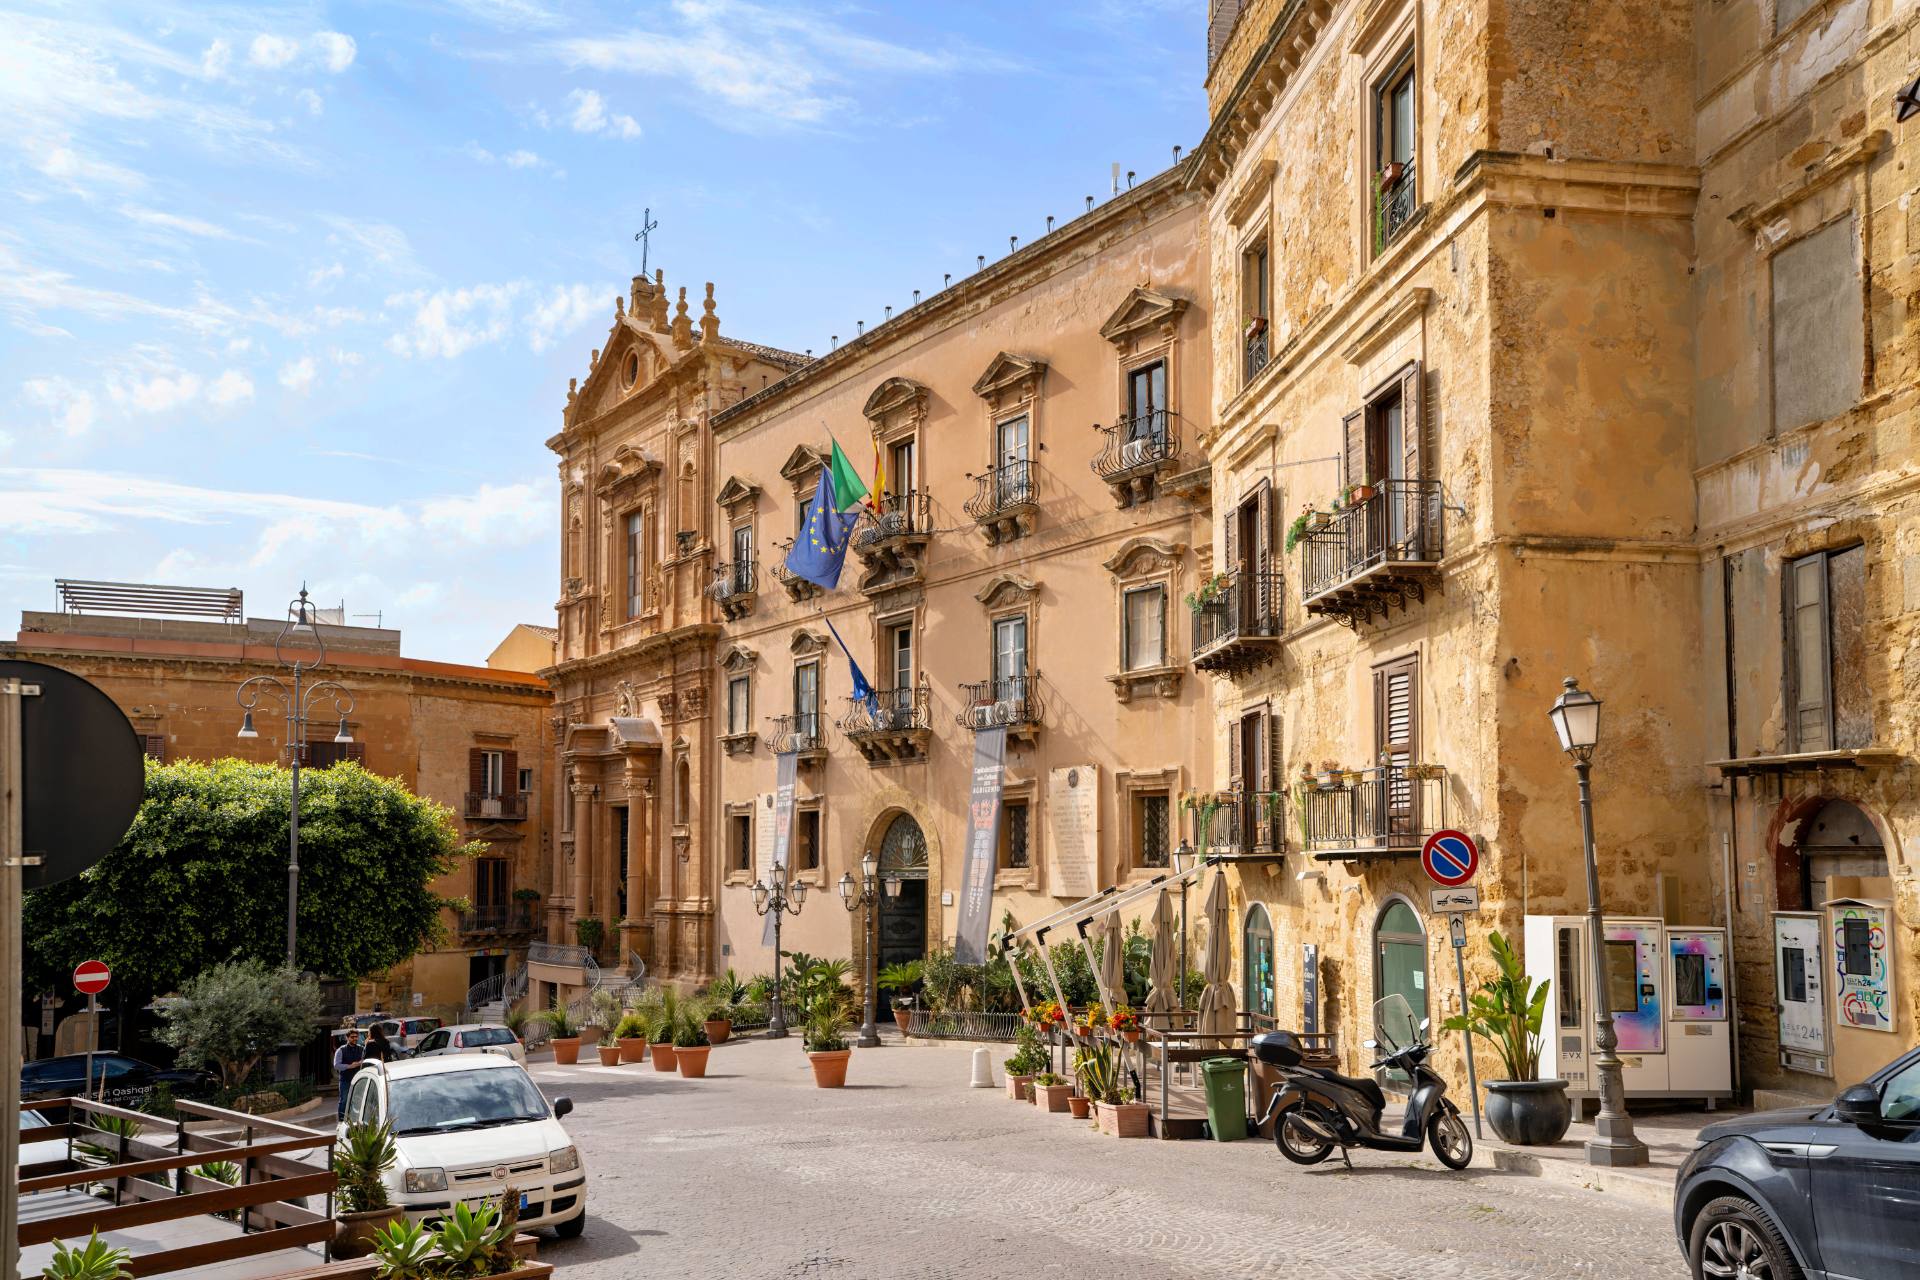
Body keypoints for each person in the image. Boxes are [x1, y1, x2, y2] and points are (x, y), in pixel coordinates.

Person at [333, 1028, 365, 1119]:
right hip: (345, 1080)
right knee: (344, 1101)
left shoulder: (362, 1049)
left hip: (359, 1080)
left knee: (359, 1101)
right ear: (347, 1038)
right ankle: (341, 1120)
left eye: (356, 1037)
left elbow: (364, 1060)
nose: (355, 1038)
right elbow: (336, 1065)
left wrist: (359, 1063)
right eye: (352, 1037)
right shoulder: (341, 1050)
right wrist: (349, 1066)